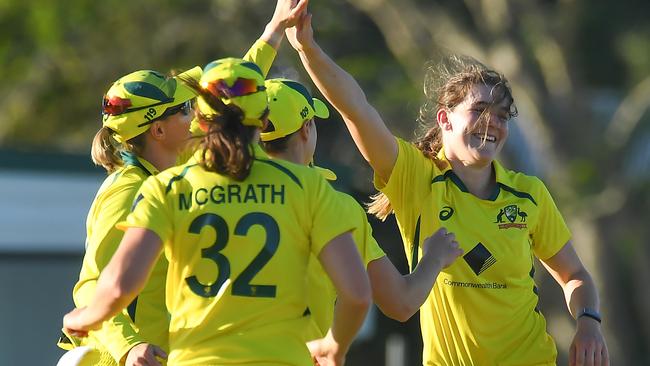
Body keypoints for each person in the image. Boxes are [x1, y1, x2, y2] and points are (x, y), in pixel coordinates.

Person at [284, 10, 609, 366]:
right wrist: (308, 49)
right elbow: (356, 110)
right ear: (445, 119)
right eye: (480, 109)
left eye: (502, 115)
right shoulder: (415, 178)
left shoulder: (528, 193)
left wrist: (588, 321)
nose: (492, 123)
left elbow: (574, 275)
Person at [62, 58, 371, 366]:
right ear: (263, 122)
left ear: (201, 120)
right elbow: (357, 295)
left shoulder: (167, 188)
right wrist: (334, 345)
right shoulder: (307, 186)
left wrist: (88, 315)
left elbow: (118, 286)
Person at [58, 2, 309, 365]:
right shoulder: (126, 190)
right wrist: (129, 345)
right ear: (158, 130)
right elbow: (92, 286)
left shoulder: (180, 166)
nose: (195, 111)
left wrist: (272, 31)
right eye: (183, 109)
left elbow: (232, 95)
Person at [258, 78, 462, 344]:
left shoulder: (208, 192)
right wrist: (434, 257)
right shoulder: (332, 206)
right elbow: (400, 302)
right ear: (307, 129)